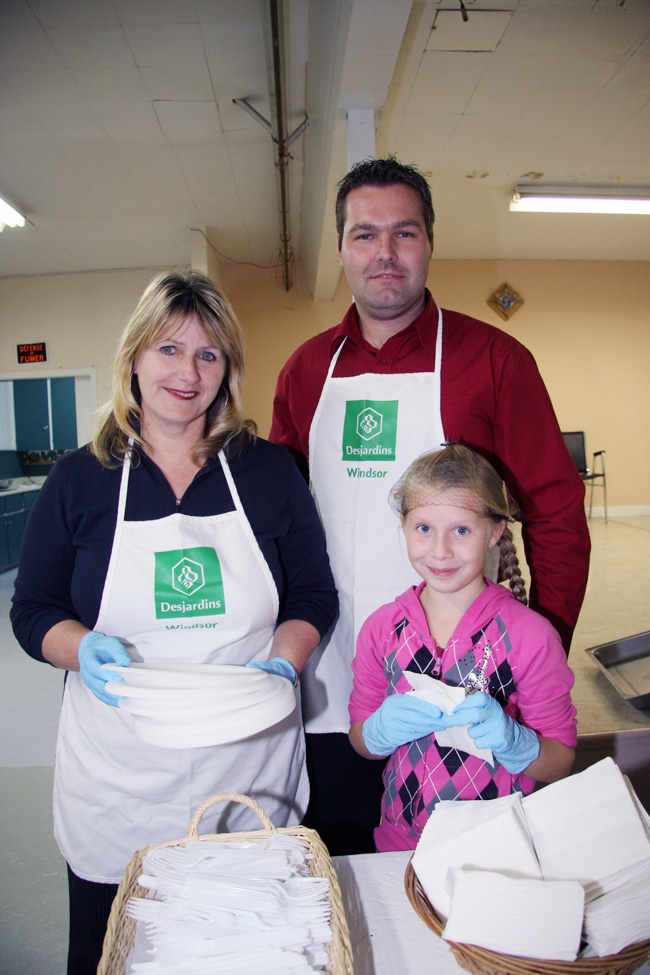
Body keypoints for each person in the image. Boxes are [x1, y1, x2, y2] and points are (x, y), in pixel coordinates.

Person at [10, 269, 337, 975]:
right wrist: (81, 646)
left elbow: (313, 593)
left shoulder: (268, 472)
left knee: (253, 948)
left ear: (227, 372)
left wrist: (285, 657)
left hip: (249, 765)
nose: (187, 372)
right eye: (168, 348)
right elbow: (32, 609)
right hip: (120, 776)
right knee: (114, 951)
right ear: (133, 357)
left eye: (208, 354)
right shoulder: (80, 480)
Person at [269, 155, 589, 854]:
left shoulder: (496, 361)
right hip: (334, 683)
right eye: (364, 234)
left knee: (469, 883)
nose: (385, 253)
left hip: (469, 694)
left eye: (404, 232)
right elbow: (278, 528)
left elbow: (558, 514)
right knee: (345, 867)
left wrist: (542, 652)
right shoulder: (303, 371)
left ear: (430, 243)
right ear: (342, 248)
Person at [348, 444, 577, 851]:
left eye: (461, 530)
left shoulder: (531, 636)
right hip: (400, 844)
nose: (440, 551)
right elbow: (360, 740)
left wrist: (515, 742)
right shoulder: (381, 629)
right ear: (403, 524)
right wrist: (378, 732)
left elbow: (559, 761)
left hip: (499, 846)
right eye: (423, 529)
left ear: (494, 531)